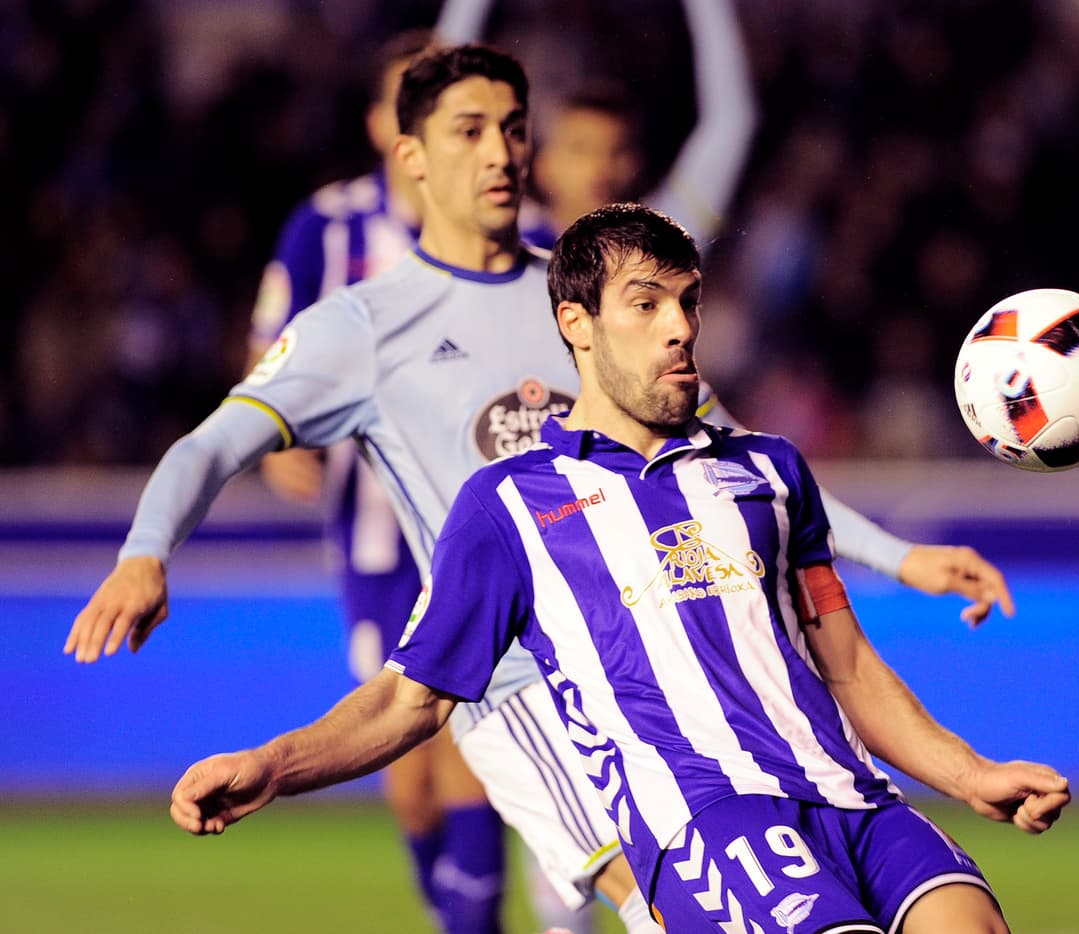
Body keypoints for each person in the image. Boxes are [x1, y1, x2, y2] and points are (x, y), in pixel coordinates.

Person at [66, 44, 1015, 934]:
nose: (502, 152)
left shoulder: (603, 298)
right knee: (640, 895)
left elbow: (735, 464)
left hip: (648, 673)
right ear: (411, 157)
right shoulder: (358, 327)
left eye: (515, 127)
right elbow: (209, 445)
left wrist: (899, 556)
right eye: (469, 129)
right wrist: (143, 556)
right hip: (504, 682)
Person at [168, 202, 1071, 933]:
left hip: (861, 806)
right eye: (646, 304)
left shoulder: (768, 468)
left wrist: (970, 773)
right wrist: (274, 765)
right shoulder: (508, 505)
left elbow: (850, 666)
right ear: (579, 325)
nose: (679, 329)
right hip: (712, 826)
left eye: (689, 303)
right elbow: (411, 699)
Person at [241, 27, 508, 933]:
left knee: (467, 735)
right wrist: (282, 438)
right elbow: (271, 353)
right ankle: (454, 907)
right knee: (410, 770)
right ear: (389, 127)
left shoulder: (519, 228)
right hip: (375, 537)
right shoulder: (329, 225)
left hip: (485, 527)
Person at [435, 0, 757, 252]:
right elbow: (440, 97)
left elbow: (732, 122)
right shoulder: (503, 231)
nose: (600, 165)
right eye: (581, 148)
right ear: (544, 165)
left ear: (635, 165)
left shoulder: (665, 236)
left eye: (616, 150)